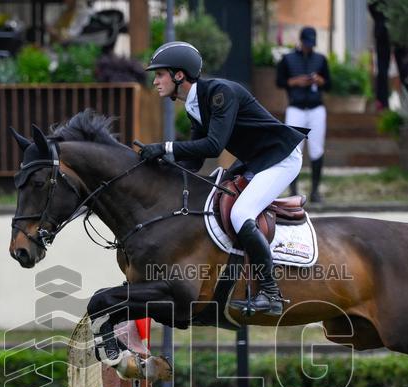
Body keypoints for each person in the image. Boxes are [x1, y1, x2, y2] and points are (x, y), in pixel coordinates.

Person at [140, 41, 306, 316]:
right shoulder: (195, 104)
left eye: (160, 74)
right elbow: (194, 160)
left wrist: (165, 148)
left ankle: (271, 294)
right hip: (258, 159)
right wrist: (158, 166)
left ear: (179, 75)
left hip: (281, 157)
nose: (155, 81)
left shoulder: (220, 93)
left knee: (241, 214)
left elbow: (214, 146)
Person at [276, 26, 331, 203]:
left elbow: (329, 84)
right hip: (296, 108)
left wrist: (320, 81)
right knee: (293, 150)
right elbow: (279, 81)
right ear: (301, 41)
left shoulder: (320, 59)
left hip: (316, 108)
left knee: (317, 149)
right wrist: (294, 81)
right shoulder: (288, 59)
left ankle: (315, 191)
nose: (309, 47)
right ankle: (293, 190)